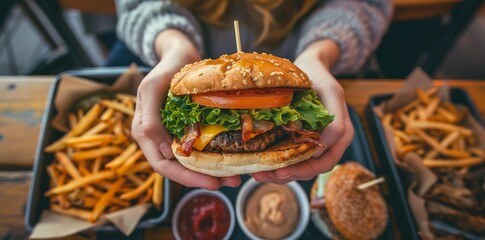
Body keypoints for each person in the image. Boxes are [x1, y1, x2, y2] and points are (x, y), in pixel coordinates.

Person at [116, 0, 393, 190]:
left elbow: (368, 4)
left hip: (311, 49)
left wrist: (320, 52)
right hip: (179, 38)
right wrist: (173, 43)